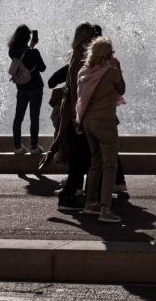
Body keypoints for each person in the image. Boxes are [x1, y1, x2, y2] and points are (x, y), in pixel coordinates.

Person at [41, 22, 96, 211]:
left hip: (74, 114)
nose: (94, 39)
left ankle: (74, 194)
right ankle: (68, 196)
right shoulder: (80, 58)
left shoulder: (78, 56)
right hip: (76, 116)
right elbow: (74, 89)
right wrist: (76, 116)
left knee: (80, 158)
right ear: (85, 39)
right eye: (92, 36)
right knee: (80, 159)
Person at [75, 36, 126, 223]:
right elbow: (121, 89)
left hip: (88, 122)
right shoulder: (110, 72)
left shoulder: (83, 71)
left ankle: (91, 203)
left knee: (95, 162)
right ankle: (105, 209)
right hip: (105, 122)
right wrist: (118, 68)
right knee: (110, 165)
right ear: (107, 55)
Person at [7, 25, 46, 154]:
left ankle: (17, 147)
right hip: (35, 87)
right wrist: (33, 47)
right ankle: (34, 147)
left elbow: (22, 58)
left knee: (18, 117)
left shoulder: (12, 51)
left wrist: (30, 47)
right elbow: (42, 68)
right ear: (28, 38)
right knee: (34, 117)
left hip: (21, 88)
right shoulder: (33, 52)